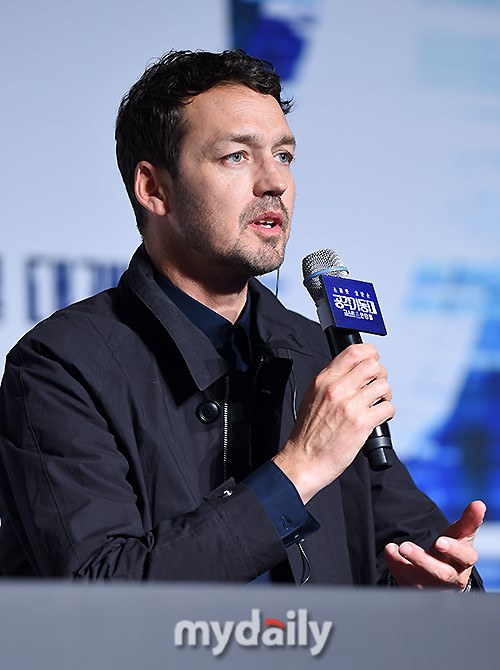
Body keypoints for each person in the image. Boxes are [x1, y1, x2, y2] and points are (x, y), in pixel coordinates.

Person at [0, 49, 485, 587]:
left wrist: (442, 581)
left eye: (284, 155)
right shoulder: (60, 366)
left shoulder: (317, 353)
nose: (274, 181)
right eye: (236, 156)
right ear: (153, 188)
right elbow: (99, 594)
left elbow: (402, 550)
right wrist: (298, 469)